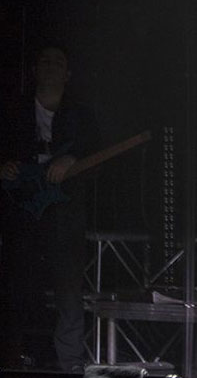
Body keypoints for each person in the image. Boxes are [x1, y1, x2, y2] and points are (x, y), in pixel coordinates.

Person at [0, 45, 99, 372]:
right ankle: (13, 357)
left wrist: (72, 159)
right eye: (45, 61)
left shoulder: (80, 113)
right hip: (23, 208)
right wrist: (6, 167)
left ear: (68, 74)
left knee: (68, 285)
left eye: (58, 62)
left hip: (65, 209)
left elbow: (95, 150)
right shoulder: (14, 111)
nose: (51, 66)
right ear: (34, 70)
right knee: (17, 282)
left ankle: (70, 362)